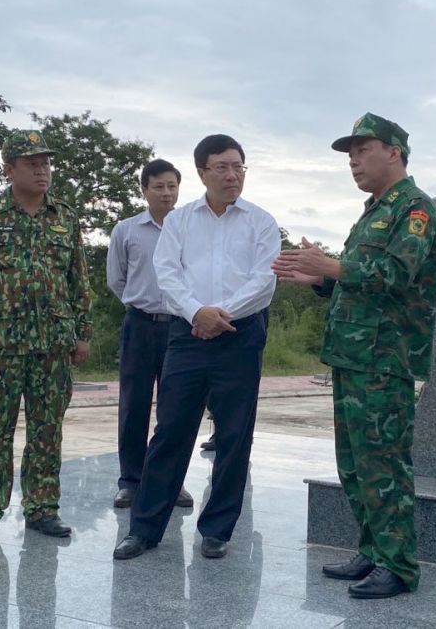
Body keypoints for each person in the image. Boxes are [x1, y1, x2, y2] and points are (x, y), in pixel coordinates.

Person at [272, 113, 436, 600]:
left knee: (384, 464)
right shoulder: (374, 210)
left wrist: (331, 264)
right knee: (354, 464)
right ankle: (372, 551)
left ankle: (400, 565)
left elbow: (394, 274)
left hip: (386, 359)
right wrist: (322, 279)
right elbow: (359, 283)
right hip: (353, 356)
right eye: (350, 153)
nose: (353, 160)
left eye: (362, 150)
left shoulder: (416, 210)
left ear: (394, 152)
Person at [114, 134, 279, 561]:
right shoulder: (180, 221)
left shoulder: (261, 222)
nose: (232, 175)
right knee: (170, 430)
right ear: (203, 172)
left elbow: (264, 281)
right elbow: (166, 274)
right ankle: (145, 529)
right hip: (188, 335)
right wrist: (196, 313)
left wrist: (219, 314)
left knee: (233, 435)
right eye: (222, 167)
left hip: (240, 336)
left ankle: (218, 529)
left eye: (239, 166)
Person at [0, 129, 92, 544]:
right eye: (32, 163)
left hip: (53, 344)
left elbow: (78, 280)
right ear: (9, 169)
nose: (41, 170)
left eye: (45, 163)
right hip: (1, 345)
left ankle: (42, 507)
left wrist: (83, 332)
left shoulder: (65, 217)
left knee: (47, 430)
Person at [107, 158, 194, 510]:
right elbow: (117, 279)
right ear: (144, 189)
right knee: (134, 404)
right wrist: (142, 303)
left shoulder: (190, 228)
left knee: (176, 408)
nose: (166, 193)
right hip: (140, 324)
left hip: (180, 326)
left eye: (171, 186)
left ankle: (170, 482)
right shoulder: (126, 230)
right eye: (158, 186)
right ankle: (131, 480)